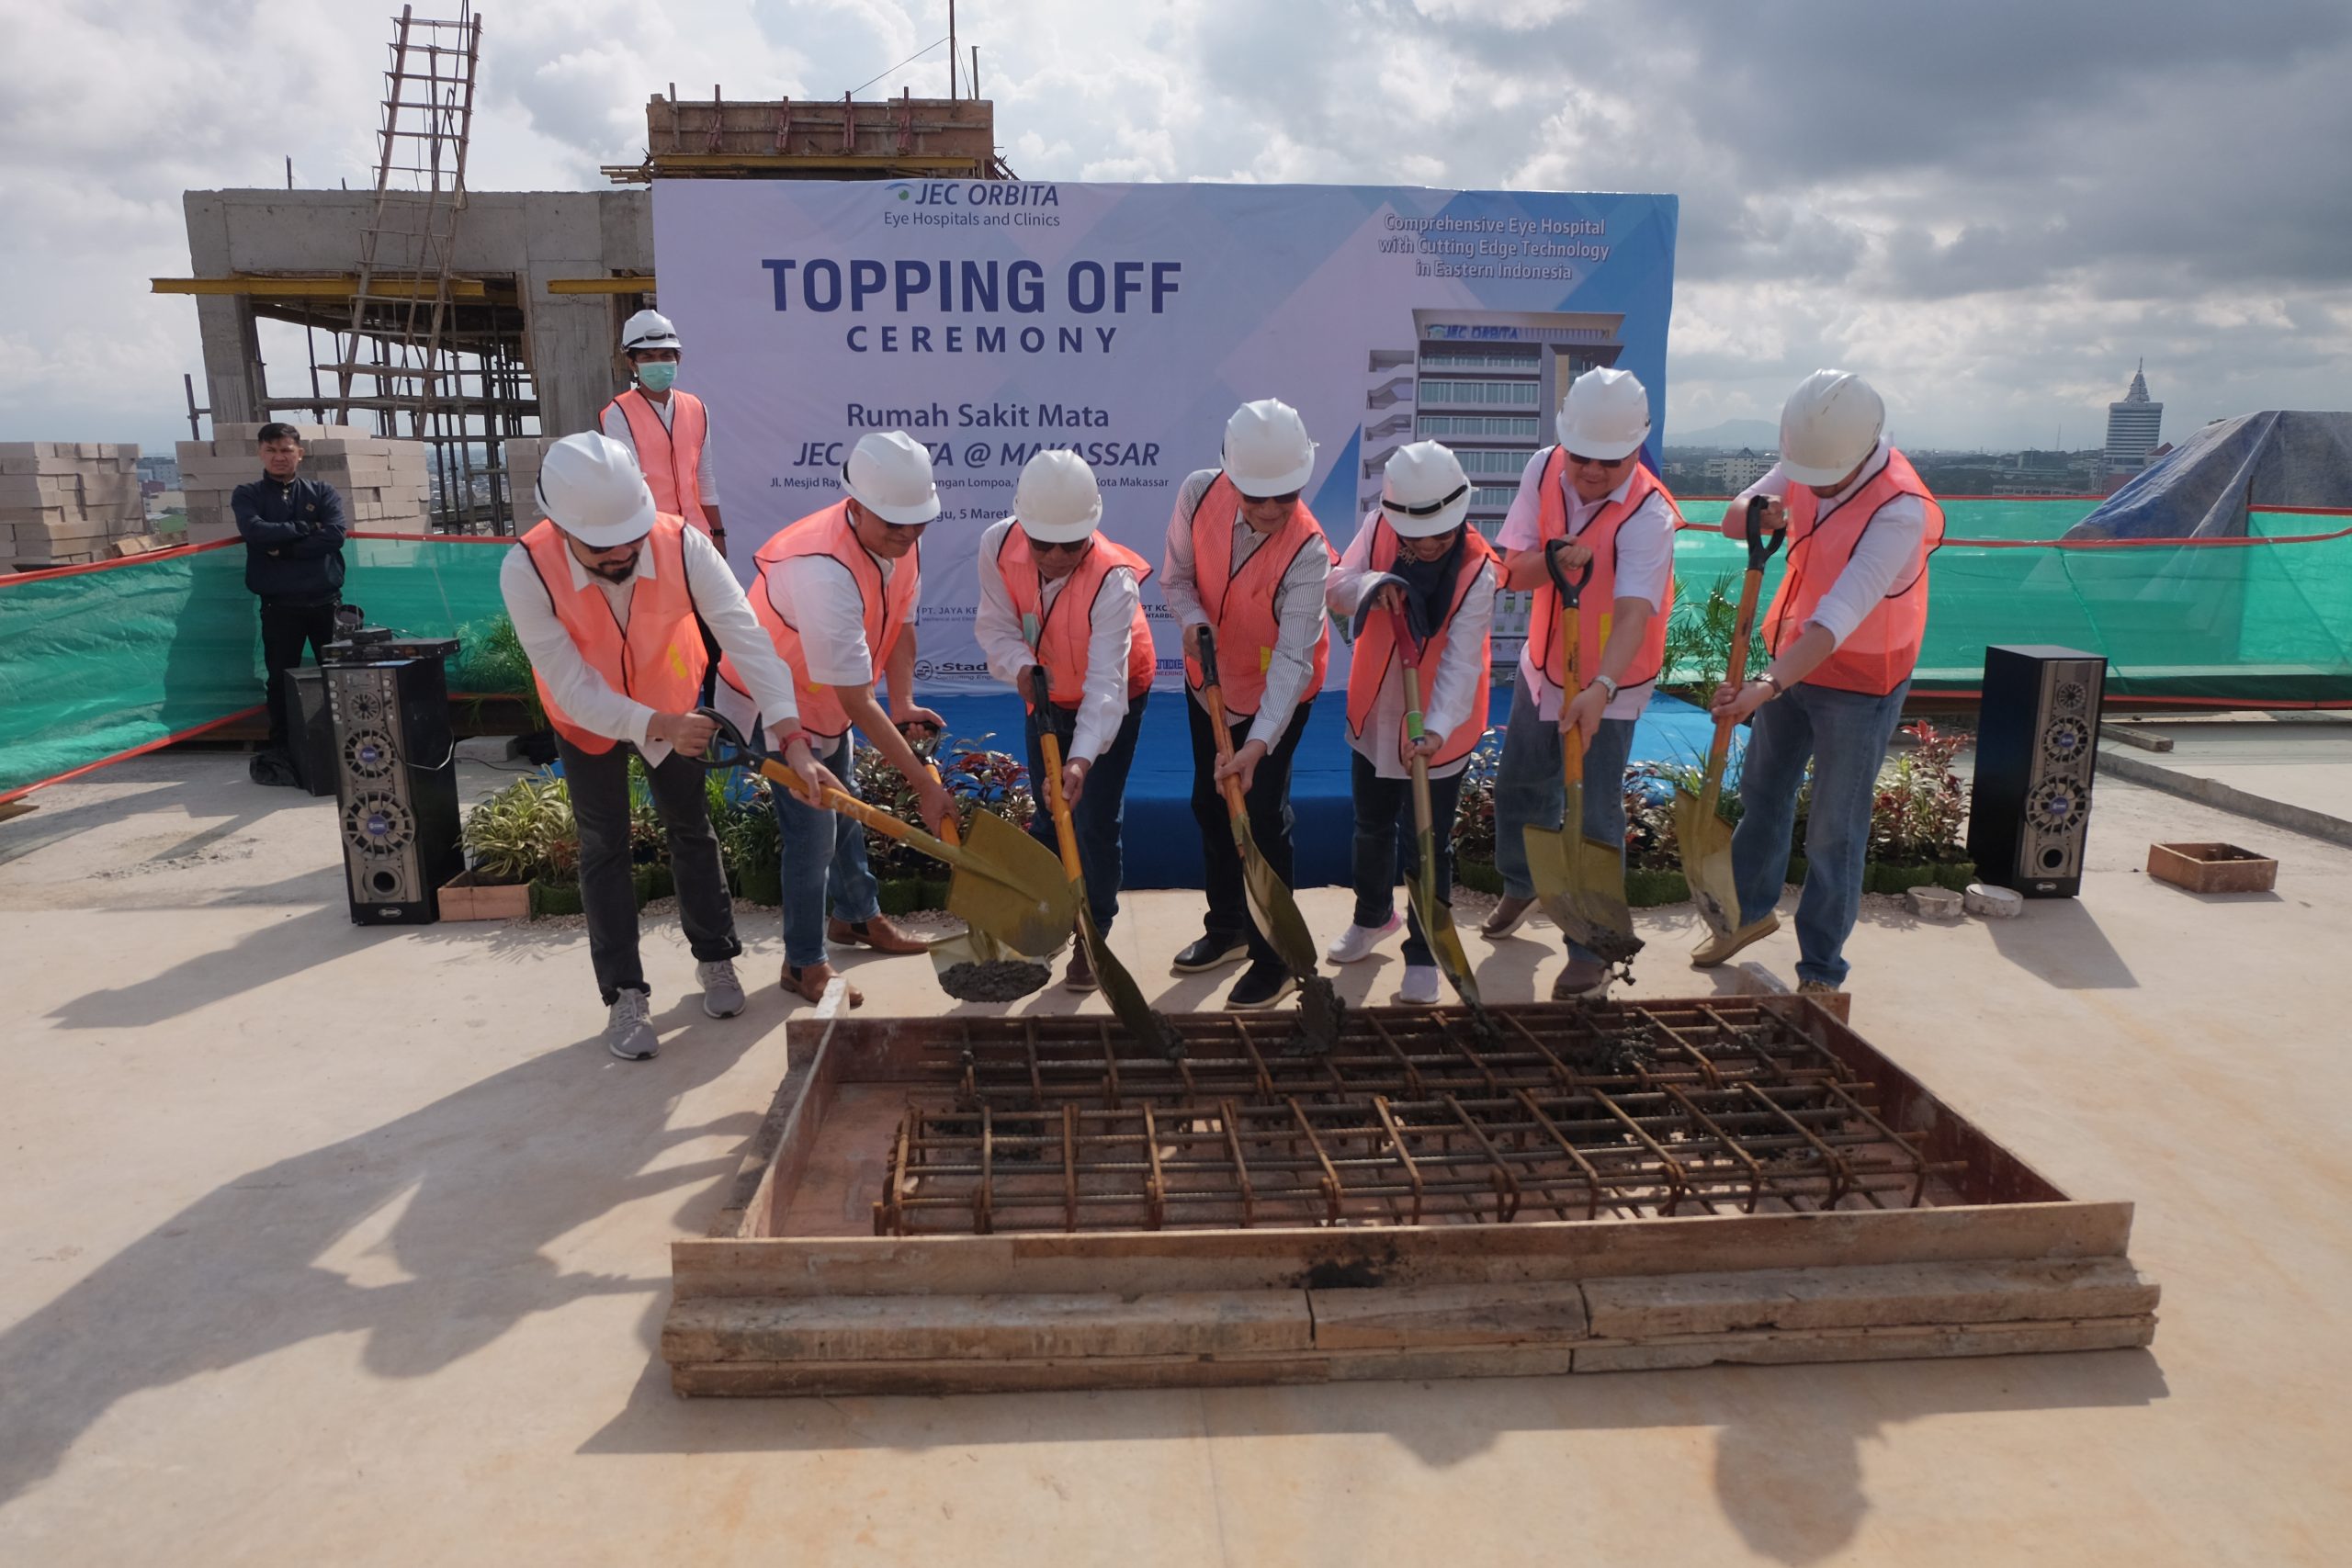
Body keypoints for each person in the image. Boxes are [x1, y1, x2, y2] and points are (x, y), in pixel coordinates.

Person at [499, 433, 837, 1061]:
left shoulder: (682, 543)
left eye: (630, 534)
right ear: (561, 525)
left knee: (692, 829)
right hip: (589, 721)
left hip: (674, 696)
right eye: (603, 546)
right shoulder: (527, 568)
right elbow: (573, 685)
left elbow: (747, 637)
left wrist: (791, 734)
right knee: (605, 848)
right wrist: (658, 724)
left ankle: (716, 960)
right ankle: (624, 994)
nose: (623, 552)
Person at [1698, 369, 1945, 994]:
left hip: (1861, 676)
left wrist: (1763, 687)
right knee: (1764, 792)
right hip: (1789, 660)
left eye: (1823, 477)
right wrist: (1761, 510)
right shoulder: (1810, 458)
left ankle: (1821, 969)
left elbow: (1836, 619)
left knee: (1836, 826)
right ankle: (1745, 918)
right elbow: (1733, 521)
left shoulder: (1900, 510)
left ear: (1863, 449)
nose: (1812, 486)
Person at [715, 430, 955, 1009]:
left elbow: (899, 625)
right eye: (893, 523)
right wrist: (923, 786)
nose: (906, 534)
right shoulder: (822, 568)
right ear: (855, 504)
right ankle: (802, 964)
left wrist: (903, 704)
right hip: (773, 705)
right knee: (813, 832)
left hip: (823, 698)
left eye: (916, 522)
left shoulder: (901, 541)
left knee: (846, 814)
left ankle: (855, 918)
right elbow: (853, 698)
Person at [1483, 367, 1679, 998]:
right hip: (1544, 667)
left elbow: (1632, 613)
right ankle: (1522, 883)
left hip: (1612, 685)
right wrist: (1552, 560)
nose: (1592, 472)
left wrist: (1598, 688)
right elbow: (1511, 572)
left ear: (1636, 450)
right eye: (1583, 457)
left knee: (1593, 810)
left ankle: (1589, 943)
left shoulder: (1650, 515)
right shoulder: (1543, 469)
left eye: (1611, 461)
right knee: (1519, 783)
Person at [1161, 398, 1333, 1010]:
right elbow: (1177, 579)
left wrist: (1257, 744)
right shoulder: (1197, 494)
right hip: (1205, 678)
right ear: (1228, 473)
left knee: (1260, 817)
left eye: (1282, 496)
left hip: (1275, 697)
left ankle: (1275, 957)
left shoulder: (1310, 551)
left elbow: (1292, 659)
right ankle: (1228, 927)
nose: (1266, 510)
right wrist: (1192, 620)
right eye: (1253, 494)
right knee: (1209, 803)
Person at [1322, 442, 1498, 1006]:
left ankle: (1424, 950)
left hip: (1439, 723)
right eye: (1414, 537)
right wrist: (1377, 585)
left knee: (1428, 841)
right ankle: (1374, 915)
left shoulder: (1478, 571)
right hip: (1378, 707)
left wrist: (1438, 729)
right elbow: (1335, 586)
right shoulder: (1378, 528)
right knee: (1371, 825)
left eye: (1438, 537)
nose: (1424, 546)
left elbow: (1462, 661)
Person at [974, 450, 1155, 994]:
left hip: (1114, 692)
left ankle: (1092, 932)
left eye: (1070, 545)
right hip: (1044, 689)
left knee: (1095, 820)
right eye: (1041, 542)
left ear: (1091, 530)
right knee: (1050, 815)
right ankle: (1044, 923)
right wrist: (1022, 667)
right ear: (1022, 526)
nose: (1054, 556)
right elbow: (996, 628)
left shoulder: (1114, 579)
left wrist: (1080, 759)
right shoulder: (997, 545)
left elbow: (1106, 685)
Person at [233, 423, 347, 785]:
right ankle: (282, 749)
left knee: (340, 676)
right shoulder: (248, 493)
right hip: (279, 605)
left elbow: (335, 535)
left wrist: (281, 546)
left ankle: (345, 744)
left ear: (300, 452)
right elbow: (254, 531)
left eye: (286, 450)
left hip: (326, 602)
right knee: (281, 679)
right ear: (260, 454)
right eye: (271, 451)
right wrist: (306, 528)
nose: (279, 457)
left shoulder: (322, 491)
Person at [600, 310, 723, 545]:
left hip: (696, 536)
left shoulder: (696, 407)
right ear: (632, 363)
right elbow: (631, 484)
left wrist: (717, 533)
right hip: (651, 537)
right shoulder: (619, 413)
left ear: (678, 359)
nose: (659, 363)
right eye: (648, 357)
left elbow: (704, 476)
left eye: (666, 355)